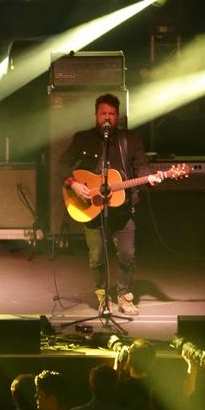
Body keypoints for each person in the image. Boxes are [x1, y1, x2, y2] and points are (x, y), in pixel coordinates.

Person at [57, 93, 161, 315]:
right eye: (103, 113)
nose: (107, 117)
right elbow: (62, 165)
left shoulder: (130, 139)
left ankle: (124, 296)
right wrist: (74, 184)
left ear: (118, 116)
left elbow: (141, 166)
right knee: (97, 256)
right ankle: (102, 296)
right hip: (91, 209)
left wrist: (149, 177)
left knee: (127, 255)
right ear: (96, 115)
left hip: (123, 210)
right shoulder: (82, 138)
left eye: (112, 114)